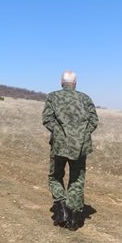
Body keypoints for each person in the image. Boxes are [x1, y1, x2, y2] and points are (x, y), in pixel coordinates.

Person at [42, 70, 99, 230]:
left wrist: (60, 134)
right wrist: (81, 135)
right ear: (75, 83)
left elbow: (47, 119)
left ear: (62, 83)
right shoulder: (85, 98)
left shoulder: (53, 96)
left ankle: (61, 208)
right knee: (77, 179)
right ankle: (73, 219)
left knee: (55, 176)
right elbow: (94, 121)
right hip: (80, 147)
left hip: (59, 146)